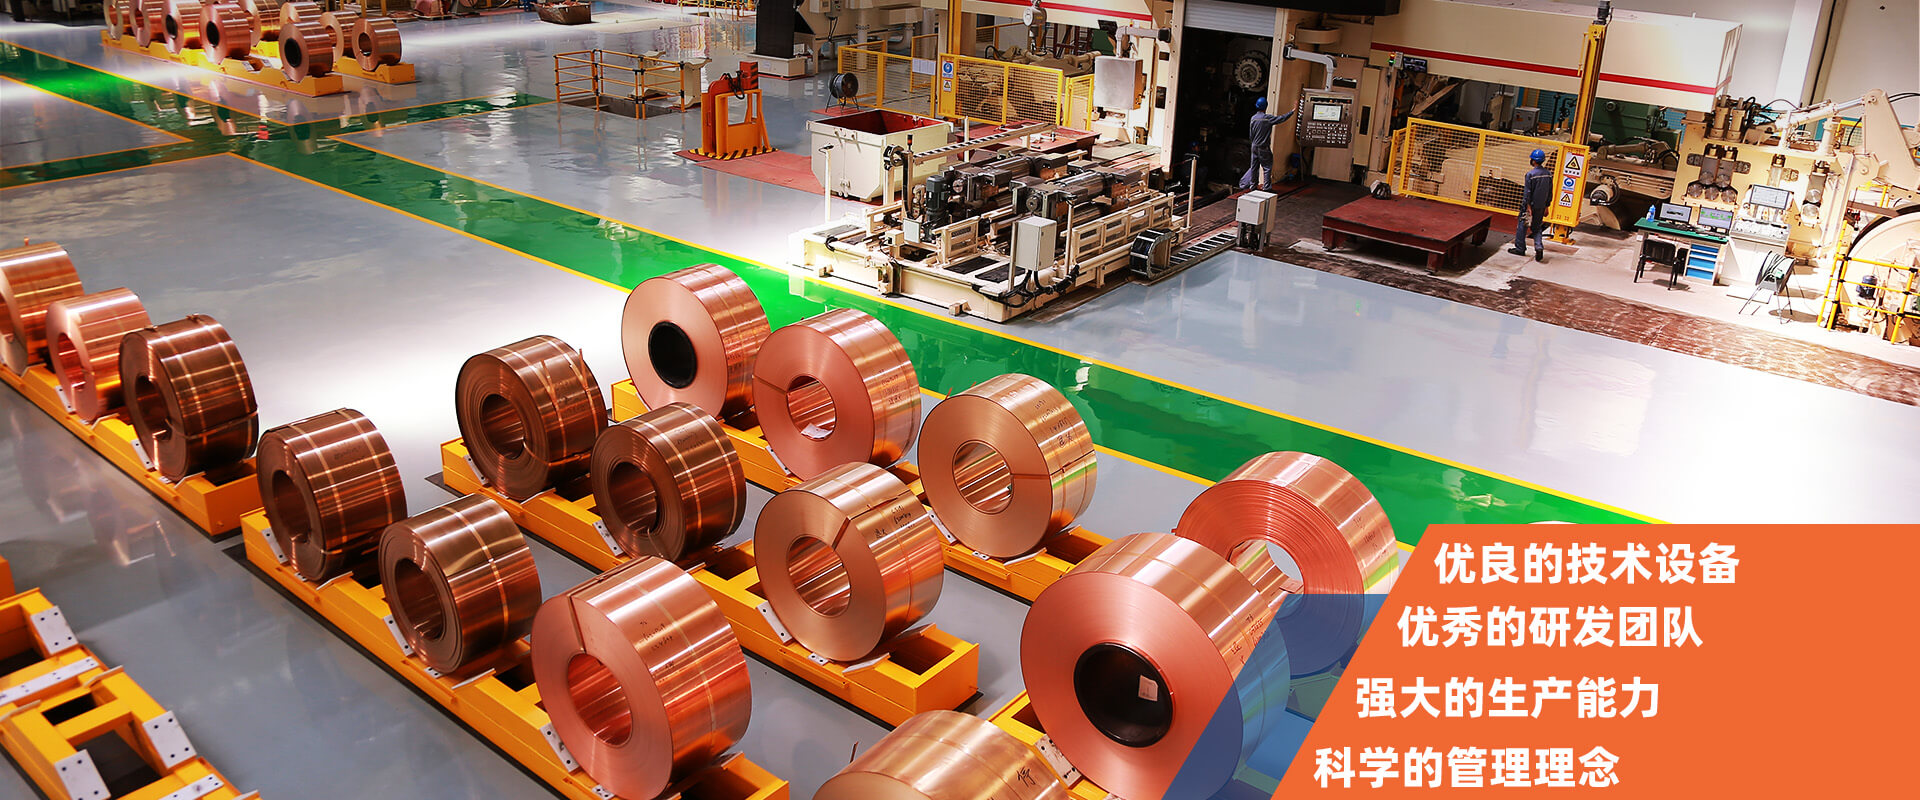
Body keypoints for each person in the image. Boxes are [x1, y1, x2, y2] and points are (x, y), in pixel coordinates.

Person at [1240, 97, 1293, 191]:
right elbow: (1281, 119)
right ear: (1265, 107)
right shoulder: (1267, 118)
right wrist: (1292, 112)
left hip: (1254, 146)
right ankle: (1267, 187)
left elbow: (1251, 134)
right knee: (1267, 167)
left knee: (1254, 167)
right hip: (1263, 147)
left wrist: (1253, 142)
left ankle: (1253, 186)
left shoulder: (1253, 118)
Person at [1509, 148, 1554, 262]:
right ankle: (1539, 247)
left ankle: (1520, 248)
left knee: (1522, 226)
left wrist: (1527, 206)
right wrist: (1547, 206)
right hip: (1541, 206)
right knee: (1537, 227)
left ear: (1533, 160)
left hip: (1530, 206)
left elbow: (1527, 193)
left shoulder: (1530, 175)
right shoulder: (1548, 174)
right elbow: (1550, 192)